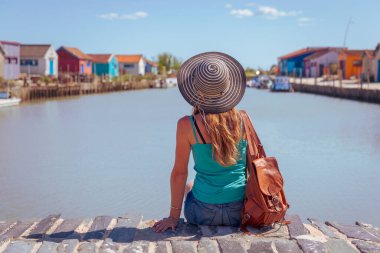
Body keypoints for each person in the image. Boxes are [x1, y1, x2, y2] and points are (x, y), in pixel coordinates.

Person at [153, 52, 248, 233]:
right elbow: (249, 167)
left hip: (203, 212)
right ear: (228, 88)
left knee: (190, 184)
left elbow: (179, 173)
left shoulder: (186, 125)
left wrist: (173, 217)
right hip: (241, 211)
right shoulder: (243, 120)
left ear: (196, 90)